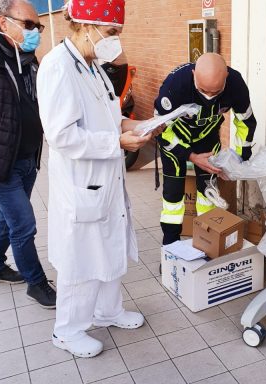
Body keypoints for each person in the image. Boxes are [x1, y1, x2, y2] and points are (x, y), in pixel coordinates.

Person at [37, 0, 160, 358]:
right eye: (111, 32)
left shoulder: (94, 66)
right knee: (81, 258)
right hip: (82, 181)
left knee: (109, 246)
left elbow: (110, 117)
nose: (115, 41)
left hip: (105, 178)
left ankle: (108, 311)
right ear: (85, 26)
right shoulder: (58, 67)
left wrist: (137, 126)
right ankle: (68, 330)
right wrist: (116, 142)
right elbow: (61, 136)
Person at [0, 0, 56, 308]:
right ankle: (36, 283)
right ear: (3, 22)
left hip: (28, 157)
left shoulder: (29, 58)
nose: (36, 32)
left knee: (10, 216)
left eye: (38, 26)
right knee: (24, 223)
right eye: (29, 25)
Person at [155, 53, 257, 245]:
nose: (209, 98)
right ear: (194, 74)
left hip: (208, 139)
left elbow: (246, 123)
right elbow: (161, 131)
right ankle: (170, 245)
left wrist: (239, 161)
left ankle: (207, 241)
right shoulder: (175, 85)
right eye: (203, 91)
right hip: (176, 139)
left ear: (226, 76)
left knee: (207, 192)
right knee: (173, 196)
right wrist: (190, 156)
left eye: (215, 92)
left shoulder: (236, 84)